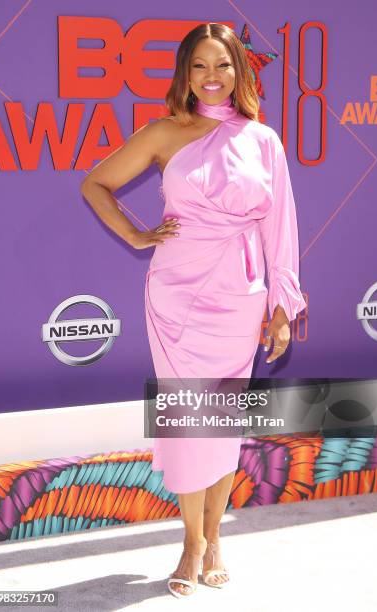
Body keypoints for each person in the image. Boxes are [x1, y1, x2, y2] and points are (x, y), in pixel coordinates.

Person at [81, 22, 307, 599]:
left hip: (241, 292)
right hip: (177, 294)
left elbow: (280, 227)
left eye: (224, 64)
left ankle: (217, 540)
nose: (212, 77)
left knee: (222, 422)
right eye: (201, 65)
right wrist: (137, 237)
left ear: (241, 71)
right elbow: (97, 184)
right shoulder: (164, 132)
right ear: (185, 72)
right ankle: (192, 544)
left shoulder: (264, 140)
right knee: (189, 421)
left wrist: (282, 306)